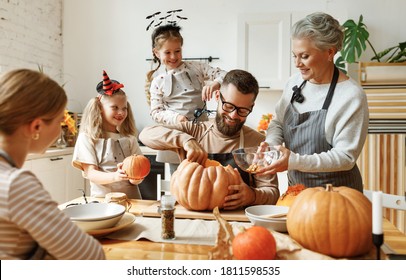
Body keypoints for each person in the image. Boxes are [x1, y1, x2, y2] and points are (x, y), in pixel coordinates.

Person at [257, 12, 369, 192]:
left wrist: (294, 161)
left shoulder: (350, 96)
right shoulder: (294, 82)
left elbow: (346, 157)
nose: (297, 63)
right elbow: (278, 122)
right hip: (298, 192)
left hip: (337, 198)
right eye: (294, 56)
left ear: (329, 52)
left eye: (304, 56)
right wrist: (271, 147)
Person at [0, 69, 105, 260]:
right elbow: (91, 256)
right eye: (60, 121)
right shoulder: (15, 184)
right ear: (37, 127)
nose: (61, 129)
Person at [140, 69, 279, 210]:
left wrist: (253, 196)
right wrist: (186, 140)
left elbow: (272, 193)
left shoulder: (258, 143)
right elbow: (145, 134)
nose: (233, 115)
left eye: (242, 111)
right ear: (218, 96)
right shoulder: (195, 130)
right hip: (193, 219)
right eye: (228, 106)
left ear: (251, 107)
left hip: (237, 221)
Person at [145, 23, 227, 173]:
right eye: (167, 52)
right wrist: (176, 118)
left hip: (201, 133)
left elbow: (225, 76)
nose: (173, 56)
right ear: (156, 53)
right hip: (176, 137)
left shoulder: (197, 68)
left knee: (204, 177)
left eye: (177, 51)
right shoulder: (158, 81)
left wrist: (215, 84)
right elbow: (156, 112)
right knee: (181, 181)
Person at [72, 70, 144, 199]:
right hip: (102, 202)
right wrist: (115, 176)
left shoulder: (130, 139)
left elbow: (138, 174)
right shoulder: (87, 138)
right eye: (115, 107)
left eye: (124, 108)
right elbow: (91, 173)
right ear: (100, 108)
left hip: (132, 201)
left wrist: (136, 178)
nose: (121, 112)